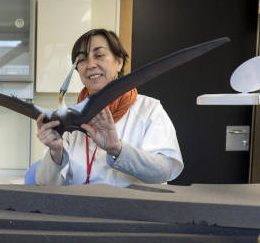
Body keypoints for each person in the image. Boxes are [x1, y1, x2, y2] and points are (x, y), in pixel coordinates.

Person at [35, 29, 183, 186]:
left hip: (134, 209)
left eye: (99, 55)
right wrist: (55, 153)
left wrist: (117, 150)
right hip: (81, 207)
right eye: (82, 59)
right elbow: (44, 185)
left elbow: (165, 171)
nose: (90, 64)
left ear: (119, 62)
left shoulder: (149, 109)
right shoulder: (70, 119)